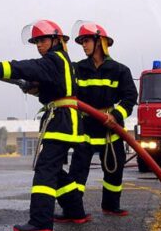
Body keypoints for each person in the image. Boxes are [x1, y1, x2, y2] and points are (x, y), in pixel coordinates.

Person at [0, 20, 87, 231]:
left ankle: (41, 222)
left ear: (56, 40)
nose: (38, 45)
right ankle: (75, 210)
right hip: (65, 120)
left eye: (42, 40)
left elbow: (28, 67)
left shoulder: (54, 59)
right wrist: (34, 88)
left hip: (61, 121)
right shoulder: (63, 62)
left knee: (44, 170)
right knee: (53, 169)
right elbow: (53, 86)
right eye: (35, 42)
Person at [56, 21, 137, 220]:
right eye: (81, 41)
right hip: (85, 128)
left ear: (100, 42)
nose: (83, 45)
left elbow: (130, 98)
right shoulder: (76, 69)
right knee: (77, 171)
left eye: (86, 41)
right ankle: (72, 210)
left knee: (114, 170)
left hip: (111, 129)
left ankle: (111, 205)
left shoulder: (120, 70)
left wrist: (115, 116)